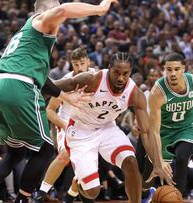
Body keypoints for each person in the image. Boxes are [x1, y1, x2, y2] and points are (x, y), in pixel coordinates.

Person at [0, 0, 117, 202]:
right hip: (17, 88)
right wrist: (99, 9)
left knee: (16, 152)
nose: (61, 19)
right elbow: (63, 9)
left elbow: (42, 79)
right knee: (45, 150)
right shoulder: (42, 20)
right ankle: (23, 199)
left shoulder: (26, 35)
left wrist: (66, 96)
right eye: (56, 10)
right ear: (47, 10)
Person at [50, 52, 174, 203]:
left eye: (125, 73)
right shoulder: (92, 79)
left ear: (130, 72)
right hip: (81, 131)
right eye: (116, 72)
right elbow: (55, 86)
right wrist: (32, 87)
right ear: (109, 68)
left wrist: (157, 162)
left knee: (130, 162)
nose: (121, 78)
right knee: (93, 192)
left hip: (107, 128)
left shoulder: (135, 94)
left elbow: (146, 133)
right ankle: (79, 185)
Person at [148, 52, 193, 195]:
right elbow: (154, 130)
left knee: (182, 157)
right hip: (164, 130)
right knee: (155, 169)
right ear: (164, 70)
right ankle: (150, 194)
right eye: (169, 70)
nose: (173, 73)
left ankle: (178, 195)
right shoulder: (157, 91)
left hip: (185, 128)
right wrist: (159, 159)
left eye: (177, 69)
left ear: (183, 69)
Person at [34, 47, 96, 203]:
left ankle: (70, 196)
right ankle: (41, 193)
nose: (80, 68)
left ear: (88, 62)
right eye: (76, 64)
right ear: (71, 65)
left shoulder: (97, 77)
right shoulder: (67, 82)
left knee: (84, 166)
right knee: (66, 155)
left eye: (82, 63)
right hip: (66, 122)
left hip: (88, 126)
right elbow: (49, 110)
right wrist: (64, 124)